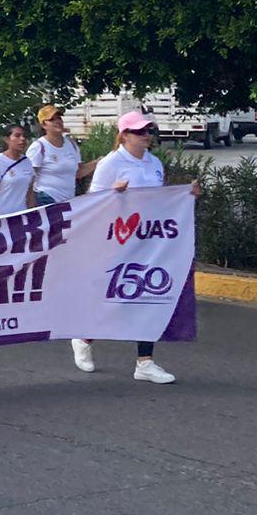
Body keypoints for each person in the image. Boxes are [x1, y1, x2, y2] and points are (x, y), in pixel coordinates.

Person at [70, 111, 199, 385]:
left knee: (148, 296)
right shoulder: (111, 163)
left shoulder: (154, 163)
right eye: (140, 131)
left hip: (149, 240)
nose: (147, 135)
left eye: (148, 130)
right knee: (113, 296)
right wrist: (113, 192)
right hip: (116, 240)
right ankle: (83, 336)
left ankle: (145, 362)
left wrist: (186, 196)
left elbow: (160, 200)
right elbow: (92, 202)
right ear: (125, 135)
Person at [30, 104, 92, 205]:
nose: (57, 121)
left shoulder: (71, 144)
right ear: (43, 125)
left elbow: (79, 172)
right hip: (45, 198)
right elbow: (30, 177)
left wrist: (98, 162)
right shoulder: (39, 146)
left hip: (68, 200)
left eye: (59, 118)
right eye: (52, 119)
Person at [0, 124, 35, 216]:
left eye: (24, 136)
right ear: (7, 139)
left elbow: (30, 192)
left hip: (23, 215)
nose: (22, 139)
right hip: (4, 217)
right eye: (17, 136)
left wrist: (32, 213)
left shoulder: (27, 161)